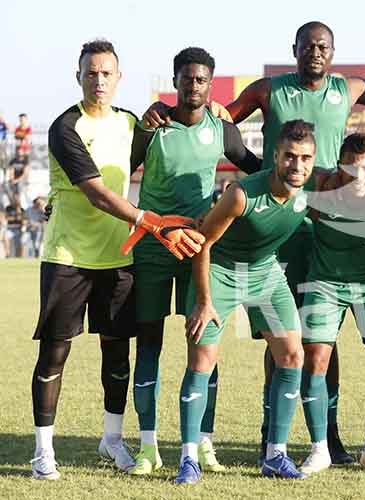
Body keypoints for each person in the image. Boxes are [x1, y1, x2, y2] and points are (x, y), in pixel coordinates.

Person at [143, 21, 365, 464]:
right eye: (308, 46)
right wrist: (167, 112)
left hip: (327, 222)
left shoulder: (348, 88)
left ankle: (330, 437)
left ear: (333, 51)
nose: (316, 52)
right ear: (296, 49)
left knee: (322, 339)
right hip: (282, 221)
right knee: (282, 336)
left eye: (323, 46)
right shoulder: (268, 89)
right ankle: (272, 434)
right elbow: (214, 117)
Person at [29, 39, 202, 481]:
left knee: (118, 354)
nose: (99, 80)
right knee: (55, 353)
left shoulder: (130, 123)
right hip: (68, 257)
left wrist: (206, 111)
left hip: (118, 258)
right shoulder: (64, 126)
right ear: (78, 76)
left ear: (119, 78)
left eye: (107, 73)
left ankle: (112, 439)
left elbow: (176, 123)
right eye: (91, 72)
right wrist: (151, 221)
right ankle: (43, 451)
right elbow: (97, 193)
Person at [127, 47, 262, 477]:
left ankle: (204, 443)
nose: (194, 86)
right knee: (148, 346)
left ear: (210, 84)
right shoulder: (152, 126)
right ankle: (148, 446)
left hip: (198, 250)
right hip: (152, 249)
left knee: (205, 349)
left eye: (201, 79)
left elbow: (256, 168)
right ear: (175, 81)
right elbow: (115, 173)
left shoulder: (222, 130)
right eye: (186, 78)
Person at [180, 119, 319, 483]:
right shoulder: (242, 195)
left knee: (292, 355)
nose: (297, 165)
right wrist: (204, 301)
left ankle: (275, 455)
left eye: (305, 158)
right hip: (220, 271)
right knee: (202, 360)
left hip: (264, 273)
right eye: (290, 156)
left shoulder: (312, 190)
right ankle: (188, 459)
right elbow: (203, 244)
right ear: (275, 156)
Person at [296, 134, 365, 474]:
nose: (361, 177)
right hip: (326, 281)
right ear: (340, 167)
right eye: (353, 169)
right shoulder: (318, 186)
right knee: (315, 359)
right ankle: (320, 448)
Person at [5, 192, 25, 257]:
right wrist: (15, 218)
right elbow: (7, 218)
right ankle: (8, 254)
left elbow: (21, 219)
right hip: (10, 228)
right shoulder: (8, 208)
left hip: (18, 229)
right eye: (15, 198)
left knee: (19, 243)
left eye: (17, 198)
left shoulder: (21, 209)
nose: (16, 200)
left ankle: (18, 257)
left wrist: (18, 209)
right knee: (6, 238)